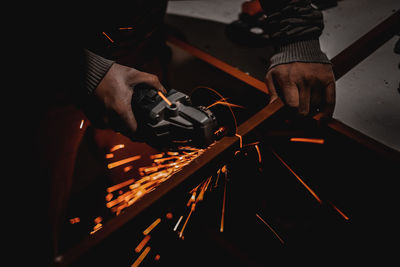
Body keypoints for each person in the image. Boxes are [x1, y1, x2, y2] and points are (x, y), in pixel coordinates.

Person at [82, 0, 336, 139]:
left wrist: (295, 34)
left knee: (138, 152)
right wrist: (86, 69)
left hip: (139, 40)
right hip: (54, 68)